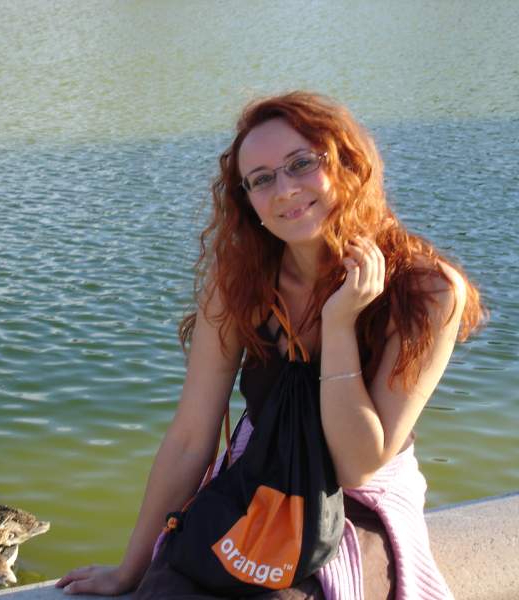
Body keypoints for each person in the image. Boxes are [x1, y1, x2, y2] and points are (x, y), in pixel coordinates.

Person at [56, 91, 484, 598]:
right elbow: (191, 437)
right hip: (258, 479)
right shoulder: (241, 282)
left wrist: (339, 324)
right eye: (261, 179)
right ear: (248, 201)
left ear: (348, 163)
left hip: (355, 505)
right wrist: (131, 568)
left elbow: (356, 465)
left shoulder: (426, 291)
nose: (284, 190)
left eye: (301, 164)